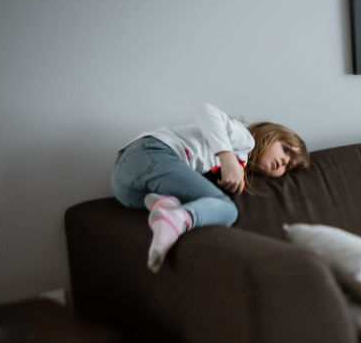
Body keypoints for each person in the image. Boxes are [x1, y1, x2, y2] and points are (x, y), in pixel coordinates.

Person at [110, 104, 309, 272]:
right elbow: (206, 111)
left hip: (125, 184)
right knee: (227, 209)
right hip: (153, 152)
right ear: (268, 133)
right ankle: (177, 219)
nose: (284, 160)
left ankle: (165, 206)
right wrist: (228, 158)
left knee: (175, 200)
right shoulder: (244, 139)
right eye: (285, 149)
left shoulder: (240, 167)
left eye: (289, 165)